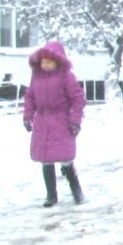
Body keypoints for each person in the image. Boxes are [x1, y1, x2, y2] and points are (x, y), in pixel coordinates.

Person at [22, 41, 87, 207]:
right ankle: (51, 195)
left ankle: (76, 191)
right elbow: (30, 97)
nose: (45, 65)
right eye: (43, 62)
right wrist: (27, 116)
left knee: (65, 159)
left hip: (61, 122)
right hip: (42, 123)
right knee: (46, 160)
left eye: (49, 62)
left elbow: (78, 99)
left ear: (58, 61)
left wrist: (75, 121)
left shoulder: (66, 77)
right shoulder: (36, 76)